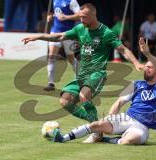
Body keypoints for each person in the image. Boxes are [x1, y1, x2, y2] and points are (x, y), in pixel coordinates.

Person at [22, 3, 143, 143]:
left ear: (94, 15)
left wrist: (136, 62)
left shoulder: (106, 33)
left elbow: (123, 50)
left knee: (83, 96)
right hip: (81, 75)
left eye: (84, 17)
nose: (81, 20)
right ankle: (96, 125)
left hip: (96, 74)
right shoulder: (80, 28)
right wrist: (38, 37)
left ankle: (96, 132)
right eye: (80, 16)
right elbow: (59, 36)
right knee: (65, 101)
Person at [52, 37, 156, 145]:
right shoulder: (135, 84)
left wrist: (147, 54)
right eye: (146, 66)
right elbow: (119, 102)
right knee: (97, 125)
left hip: (142, 126)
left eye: (149, 67)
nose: (146, 68)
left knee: (130, 140)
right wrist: (110, 120)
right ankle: (63, 138)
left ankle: (107, 140)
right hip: (127, 118)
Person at [44, 0, 80, 91]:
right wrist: (50, 17)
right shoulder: (55, 0)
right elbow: (55, 13)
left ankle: (79, 78)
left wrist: (66, 17)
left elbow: (80, 15)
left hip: (68, 33)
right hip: (55, 31)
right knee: (51, 56)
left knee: (70, 58)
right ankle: (50, 83)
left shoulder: (72, 1)